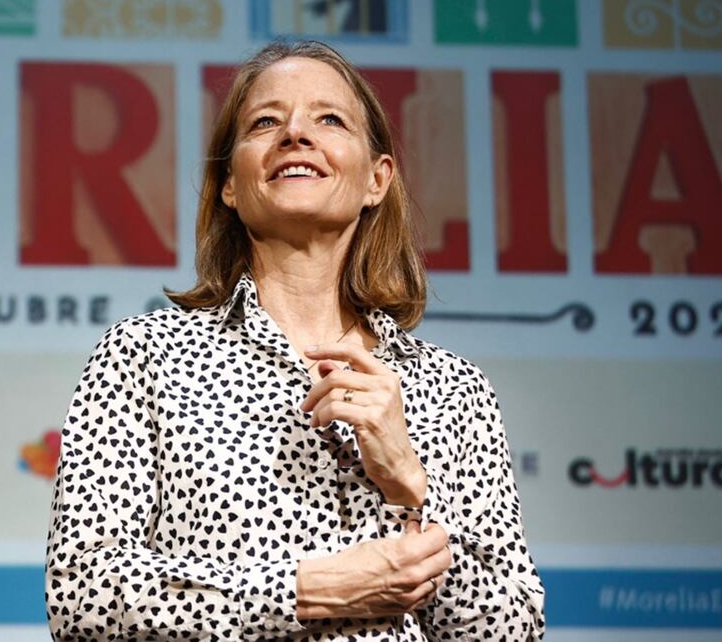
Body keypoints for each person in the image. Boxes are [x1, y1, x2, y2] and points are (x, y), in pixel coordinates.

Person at [45, 40, 545, 640]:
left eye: (329, 119)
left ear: (377, 179)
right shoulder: (145, 357)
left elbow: (510, 631)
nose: (296, 134)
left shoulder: (455, 391)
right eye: (265, 122)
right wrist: (311, 590)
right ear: (230, 184)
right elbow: (84, 596)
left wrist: (411, 484)